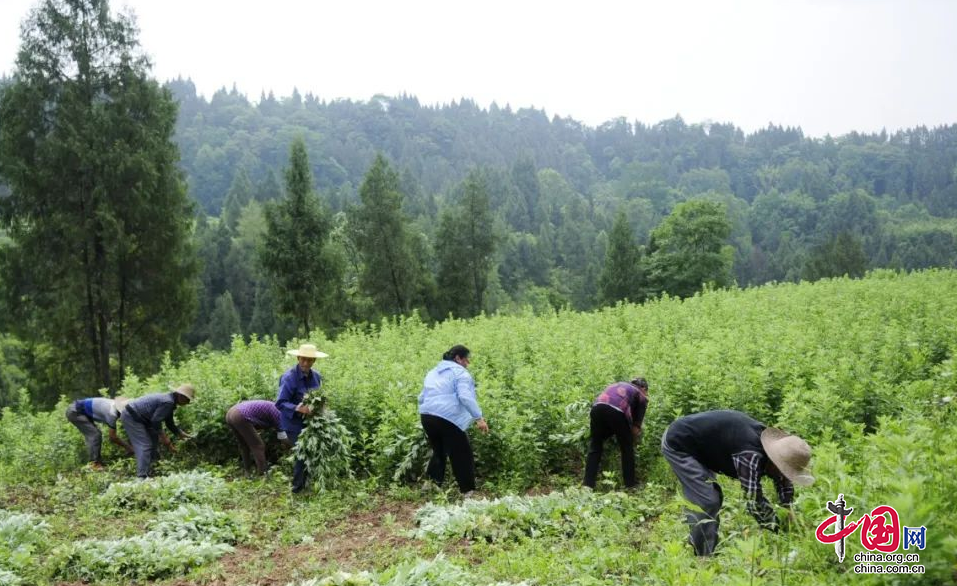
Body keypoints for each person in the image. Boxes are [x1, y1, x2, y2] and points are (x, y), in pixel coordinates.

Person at [660, 409, 814, 556]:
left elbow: (784, 482)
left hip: (702, 445)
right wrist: (776, 527)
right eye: (784, 469)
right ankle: (703, 554)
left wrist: (788, 510)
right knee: (707, 500)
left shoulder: (776, 450)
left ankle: (705, 542)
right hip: (679, 443)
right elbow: (753, 499)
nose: (785, 474)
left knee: (711, 495)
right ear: (774, 461)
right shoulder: (750, 454)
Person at [418, 344, 489, 495]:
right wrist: (479, 418)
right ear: (457, 358)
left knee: (439, 450)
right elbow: (465, 396)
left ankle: (431, 486)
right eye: (466, 360)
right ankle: (467, 491)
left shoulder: (433, 372)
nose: (467, 363)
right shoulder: (460, 373)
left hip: (426, 415)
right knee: (462, 453)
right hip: (447, 417)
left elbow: (421, 397)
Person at [276, 343, 328, 493]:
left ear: (314, 361)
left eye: (309, 360)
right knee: (302, 452)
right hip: (292, 422)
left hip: (310, 421)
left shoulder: (316, 376)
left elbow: (318, 397)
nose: (306, 363)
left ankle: (307, 483)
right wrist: (299, 408)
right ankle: (297, 489)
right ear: (298, 358)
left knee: (312, 451)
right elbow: (280, 403)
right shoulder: (289, 378)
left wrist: (322, 408)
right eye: (303, 359)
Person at [583, 377, 649, 489]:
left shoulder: (618, 385)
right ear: (643, 388)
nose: (647, 394)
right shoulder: (641, 395)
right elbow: (635, 429)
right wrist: (632, 438)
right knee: (627, 448)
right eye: (647, 391)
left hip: (597, 408)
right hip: (617, 411)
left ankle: (588, 485)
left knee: (595, 446)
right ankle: (630, 485)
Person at [120, 384, 195, 478]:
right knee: (145, 445)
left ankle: (152, 468)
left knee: (153, 440)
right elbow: (156, 421)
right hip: (131, 417)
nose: (188, 403)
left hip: (143, 419)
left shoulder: (170, 401)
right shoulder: (168, 402)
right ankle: (142, 477)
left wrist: (180, 433)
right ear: (180, 396)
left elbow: (169, 423)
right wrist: (165, 439)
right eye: (187, 399)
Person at [65, 396, 135, 469]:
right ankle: (94, 464)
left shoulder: (114, 404)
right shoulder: (111, 414)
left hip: (81, 410)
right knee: (95, 435)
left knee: (93, 434)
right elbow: (112, 437)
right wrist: (128, 447)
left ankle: (96, 461)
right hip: (75, 412)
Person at [226, 399, 282, 476]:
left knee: (244, 445)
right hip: (240, 414)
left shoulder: (274, 407)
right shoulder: (279, 413)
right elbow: (282, 436)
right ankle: (263, 474)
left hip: (231, 413)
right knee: (258, 446)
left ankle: (247, 472)